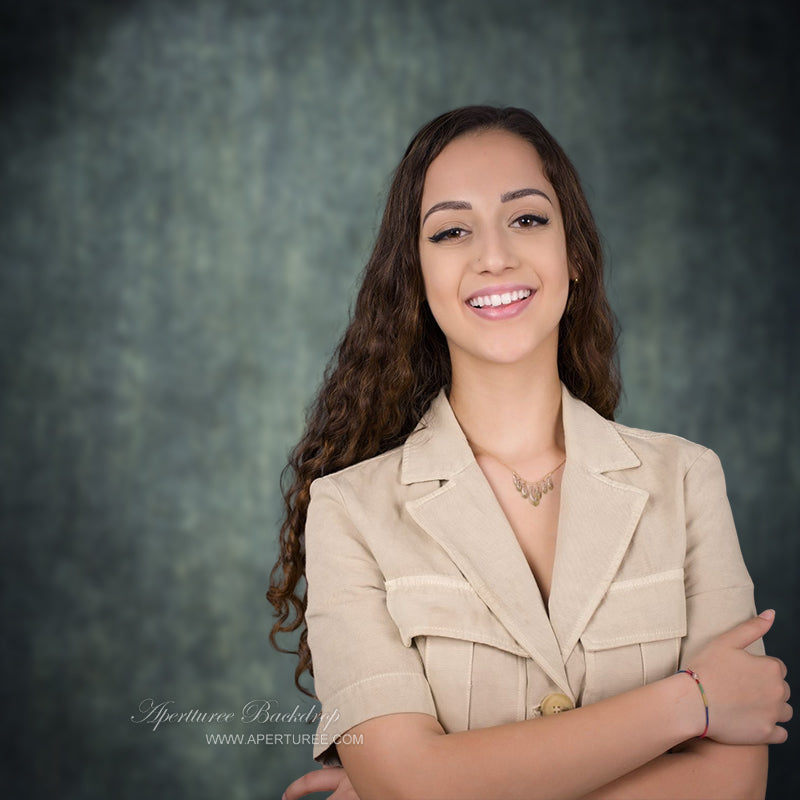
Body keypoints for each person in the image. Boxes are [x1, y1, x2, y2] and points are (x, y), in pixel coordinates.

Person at [268, 106, 791, 800]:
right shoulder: (347, 512)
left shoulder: (688, 480)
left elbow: (733, 784)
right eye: (452, 230)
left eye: (527, 218)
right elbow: (409, 786)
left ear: (572, 252)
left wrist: (442, 783)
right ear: (416, 277)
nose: (494, 255)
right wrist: (690, 702)